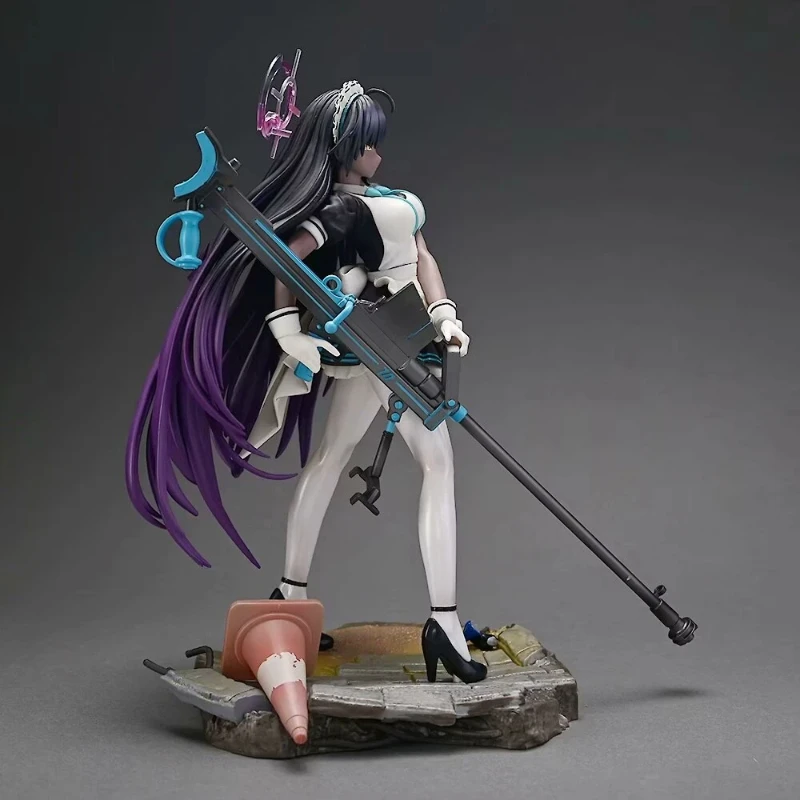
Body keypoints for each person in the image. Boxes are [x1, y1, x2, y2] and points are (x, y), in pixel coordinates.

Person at [126, 79, 486, 683]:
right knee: (436, 465)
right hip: (377, 346)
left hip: (402, 339)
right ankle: (442, 623)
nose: (377, 153)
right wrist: (287, 328)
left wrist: (445, 314)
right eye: (368, 143)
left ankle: (291, 597)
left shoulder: (397, 199)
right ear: (345, 146)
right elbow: (286, 259)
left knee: (330, 459)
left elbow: (422, 257)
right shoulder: (340, 212)